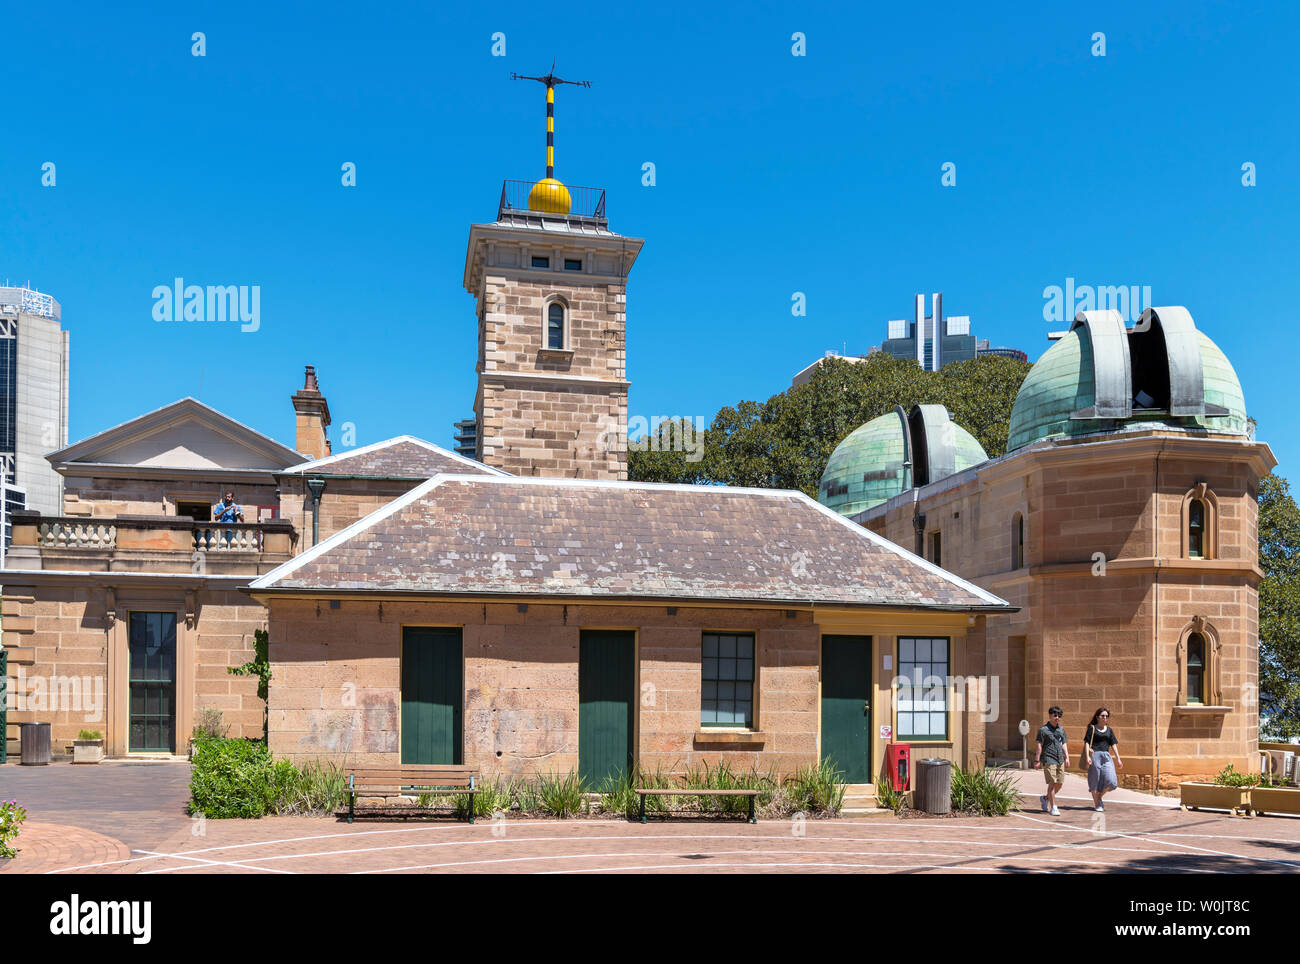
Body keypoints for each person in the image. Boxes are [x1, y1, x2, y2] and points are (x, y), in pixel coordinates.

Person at [1083, 707, 1122, 811]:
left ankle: (1099, 796)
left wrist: (1118, 758)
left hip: (1106, 756)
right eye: (1103, 716)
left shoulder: (1109, 730)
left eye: (1106, 716)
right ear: (1097, 717)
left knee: (1112, 780)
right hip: (1095, 755)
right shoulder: (1092, 728)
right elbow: (1087, 742)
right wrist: (1087, 756)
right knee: (1094, 779)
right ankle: (1097, 803)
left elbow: (1113, 744)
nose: (1105, 718)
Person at [1033, 706, 1069, 816]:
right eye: (1055, 715)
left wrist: (1067, 757)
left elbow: (1064, 743)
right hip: (1049, 758)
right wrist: (1037, 760)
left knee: (1060, 783)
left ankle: (1045, 798)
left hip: (1060, 759)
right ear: (1050, 715)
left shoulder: (1061, 729)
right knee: (1052, 783)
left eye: (1059, 716)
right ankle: (1053, 807)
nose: (1057, 717)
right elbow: (1039, 746)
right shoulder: (1043, 730)